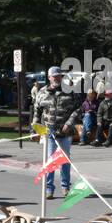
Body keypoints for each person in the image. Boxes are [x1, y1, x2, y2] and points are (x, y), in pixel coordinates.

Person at [32, 66, 84, 197]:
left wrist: (69, 123)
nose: (56, 78)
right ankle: (49, 188)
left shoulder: (70, 91)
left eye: (59, 76)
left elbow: (79, 109)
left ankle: (65, 186)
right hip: (49, 132)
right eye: (54, 76)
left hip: (65, 132)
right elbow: (37, 111)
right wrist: (35, 126)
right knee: (51, 160)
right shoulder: (42, 92)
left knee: (64, 160)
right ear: (49, 78)